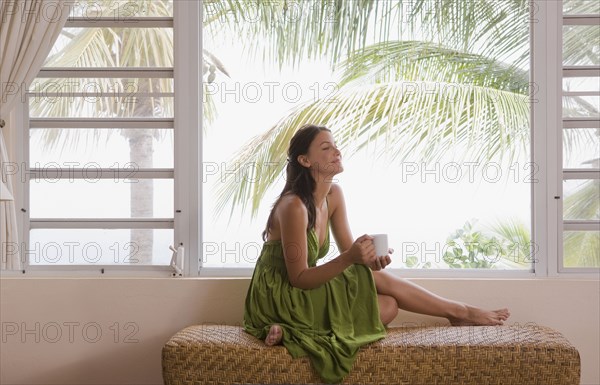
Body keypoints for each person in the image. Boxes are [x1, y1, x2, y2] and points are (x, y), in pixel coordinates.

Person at [243, 124, 510, 383]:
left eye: (336, 145)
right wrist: (351, 258)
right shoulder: (293, 206)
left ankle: (292, 330)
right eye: (326, 148)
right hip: (279, 293)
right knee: (366, 280)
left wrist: (370, 257)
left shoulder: (333, 195)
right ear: (304, 160)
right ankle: (458, 311)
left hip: (303, 292)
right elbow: (298, 278)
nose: (337, 151)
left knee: (389, 306)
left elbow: (349, 251)